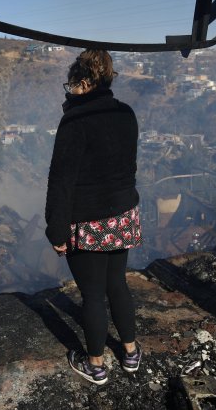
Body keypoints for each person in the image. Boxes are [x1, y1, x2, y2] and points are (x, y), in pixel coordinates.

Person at [45, 49, 143, 385]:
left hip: (87, 223)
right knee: (117, 284)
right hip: (123, 216)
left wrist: (56, 231)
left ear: (85, 82)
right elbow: (126, 166)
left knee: (92, 295)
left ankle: (96, 366)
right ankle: (130, 353)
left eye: (71, 85)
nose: (68, 91)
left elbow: (61, 181)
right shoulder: (126, 114)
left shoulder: (74, 121)